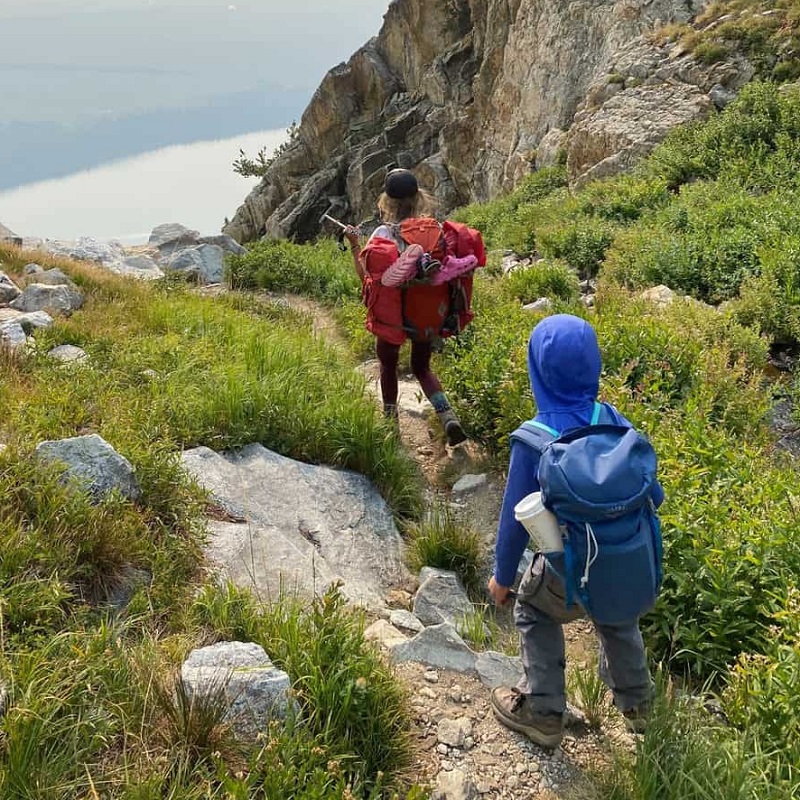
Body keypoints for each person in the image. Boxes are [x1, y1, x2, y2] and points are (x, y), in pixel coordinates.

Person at [487, 313, 664, 748]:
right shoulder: (612, 418)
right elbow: (653, 496)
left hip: (567, 568)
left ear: (538, 371)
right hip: (626, 559)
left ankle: (544, 711)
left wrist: (502, 577)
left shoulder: (534, 440)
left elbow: (515, 520)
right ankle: (638, 708)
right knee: (617, 617)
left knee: (533, 609)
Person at [343, 168, 480, 446]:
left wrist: (355, 245)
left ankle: (391, 423)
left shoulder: (383, 232)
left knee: (388, 364)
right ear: (419, 197)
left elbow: (366, 277)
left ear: (387, 201)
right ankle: (448, 416)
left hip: (394, 315)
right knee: (421, 367)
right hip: (427, 313)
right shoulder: (435, 230)